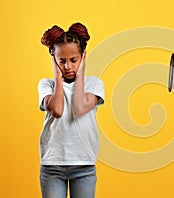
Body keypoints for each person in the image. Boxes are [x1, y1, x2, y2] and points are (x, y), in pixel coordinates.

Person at [38, 22, 104, 198]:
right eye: (62, 61)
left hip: (84, 166)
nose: (67, 66)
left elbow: (79, 107)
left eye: (73, 60)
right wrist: (57, 76)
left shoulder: (94, 84)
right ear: (54, 60)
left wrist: (80, 72)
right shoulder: (47, 85)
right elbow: (57, 110)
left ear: (82, 57)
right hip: (52, 166)